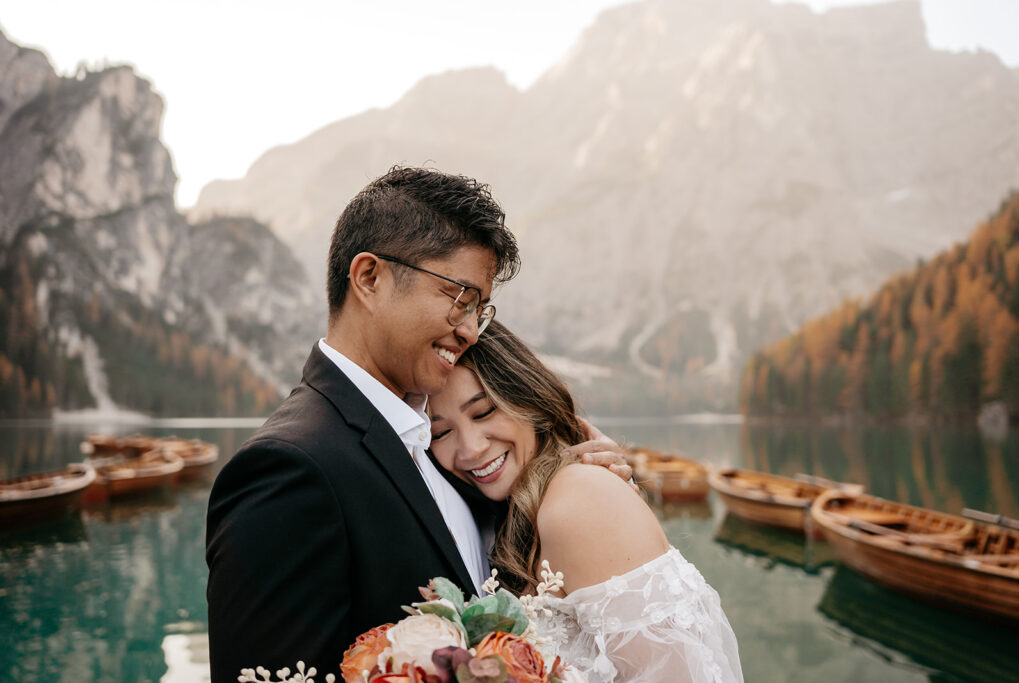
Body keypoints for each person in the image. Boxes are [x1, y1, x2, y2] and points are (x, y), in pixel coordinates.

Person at [205, 167, 631, 682]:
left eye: (481, 309)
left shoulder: (436, 444)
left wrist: (575, 485)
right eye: (460, 299)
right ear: (369, 278)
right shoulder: (290, 469)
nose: (471, 331)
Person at [427, 321, 744, 683]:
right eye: (441, 432)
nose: (470, 449)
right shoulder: (508, 515)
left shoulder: (578, 499)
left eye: (483, 412)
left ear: (527, 398)